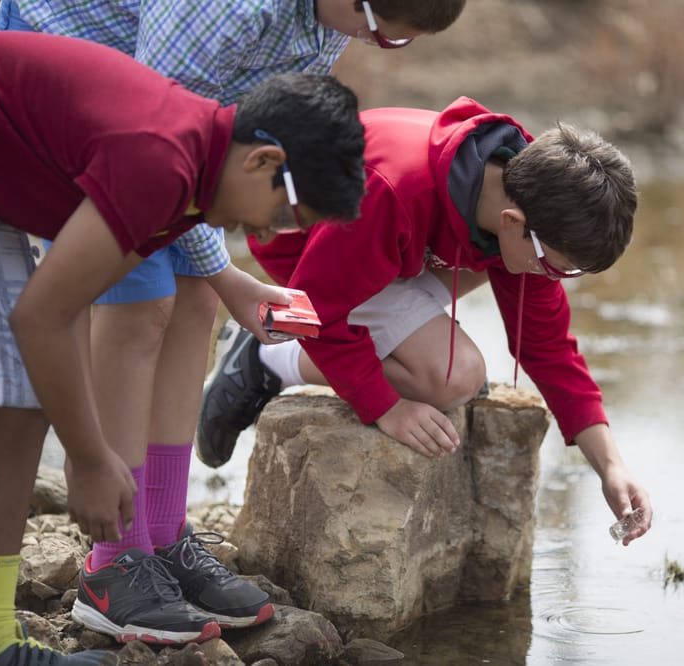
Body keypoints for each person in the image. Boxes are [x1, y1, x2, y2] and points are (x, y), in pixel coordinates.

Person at [0, 0, 464, 643]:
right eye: (377, 30)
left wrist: (221, 280)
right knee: (140, 310)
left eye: (397, 44)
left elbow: (214, 137)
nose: (374, 45)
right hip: (64, 97)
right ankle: (113, 561)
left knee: (195, 304)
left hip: (157, 120)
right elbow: (153, 142)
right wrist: (229, 271)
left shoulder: (329, 19)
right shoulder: (228, 7)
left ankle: (160, 531)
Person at [0, 30, 366, 664]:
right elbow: (43, 316)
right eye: (287, 214)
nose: (271, 231)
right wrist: (90, 459)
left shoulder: (196, 173)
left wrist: (86, 446)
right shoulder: (161, 160)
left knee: (23, 399)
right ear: (263, 162)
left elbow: (56, 317)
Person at [198, 97, 655, 545]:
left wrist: (611, 467)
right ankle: (268, 355)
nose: (556, 279)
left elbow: (547, 346)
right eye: (557, 268)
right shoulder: (394, 190)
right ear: (514, 223)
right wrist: (383, 406)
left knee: (482, 294)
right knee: (453, 377)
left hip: (389, 250)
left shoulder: (526, 193)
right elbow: (316, 306)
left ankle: (366, 334)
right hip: (307, 253)